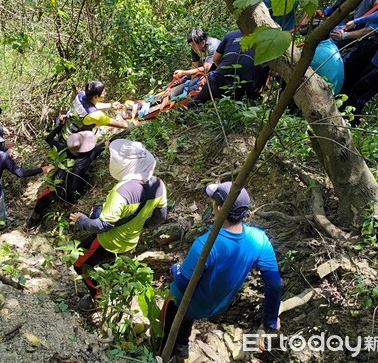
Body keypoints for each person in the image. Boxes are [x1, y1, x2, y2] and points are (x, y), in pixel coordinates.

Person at [158, 182, 282, 362]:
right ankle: (182, 347)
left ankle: (164, 353)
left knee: (170, 316)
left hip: (185, 304)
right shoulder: (259, 239)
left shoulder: (205, 244)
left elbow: (184, 284)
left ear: (218, 208)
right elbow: (274, 284)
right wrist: (270, 319)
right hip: (215, 306)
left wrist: (175, 269)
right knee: (189, 313)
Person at [69, 139, 168, 310]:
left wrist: (82, 220)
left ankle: (97, 298)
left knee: (79, 264)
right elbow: (160, 216)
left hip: (107, 242)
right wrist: (140, 226)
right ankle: (107, 292)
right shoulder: (159, 185)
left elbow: (103, 225)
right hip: (130, 243)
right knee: (109, 267)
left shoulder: (123, 190)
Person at [28, 124, 106, 227]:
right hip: (73, 195)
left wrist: (61, 125)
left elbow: (49, 138)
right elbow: (106, 144)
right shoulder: (88, 156)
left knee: (43, 197)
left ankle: (33, 219)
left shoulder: (62, 148)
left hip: (57, 188)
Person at [188, 30, 269, 106]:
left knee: (197, 100)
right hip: (245, 87)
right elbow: (265, 71)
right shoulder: (266, 42)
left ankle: (181, 115)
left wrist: (223, 72)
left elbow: (215, 59)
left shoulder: (231, 35)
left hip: (218, 80)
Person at [61, 81, 130, 141]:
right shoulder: (95, 115)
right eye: (103, 93)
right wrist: (132, 124)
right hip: (73, 140)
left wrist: (111, 105)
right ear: (95, 97)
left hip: (65, 129)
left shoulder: (81, 95)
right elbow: (118, 124)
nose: (105, 94)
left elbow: (91, 106)